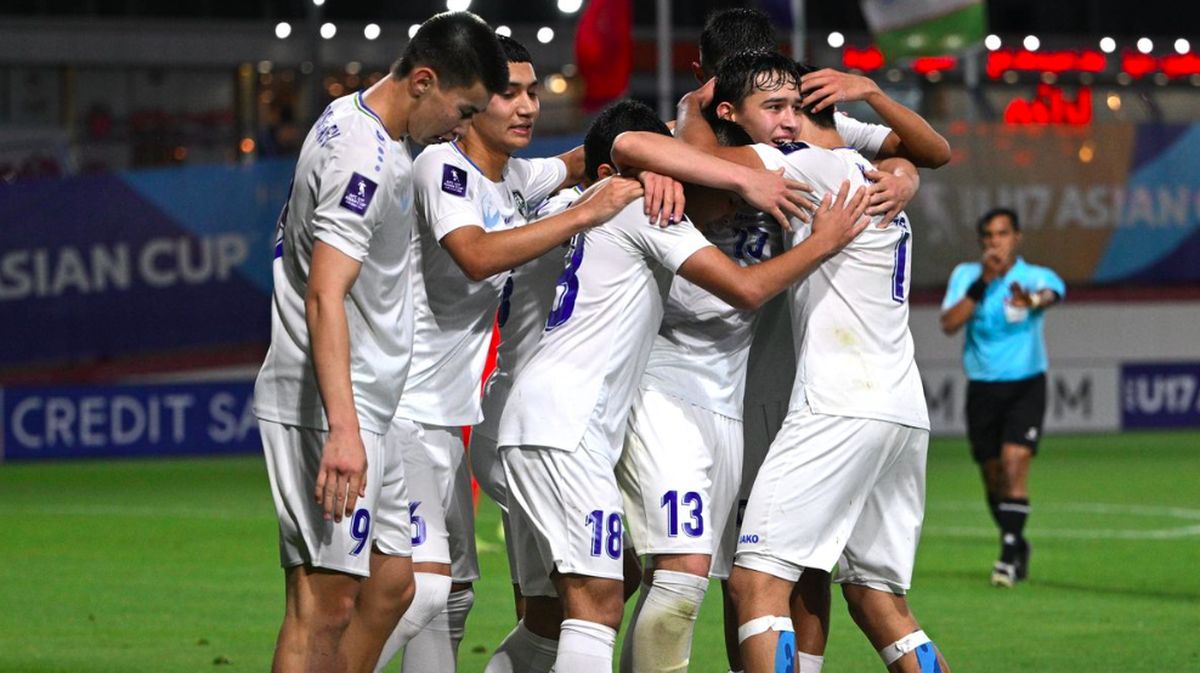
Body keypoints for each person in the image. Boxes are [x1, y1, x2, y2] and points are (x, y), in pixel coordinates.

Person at [497, 98, 869, 673]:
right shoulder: (646, 208)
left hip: (561, 421)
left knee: (587, 601)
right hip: (565, 424)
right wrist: (823, 239)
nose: (727, 201)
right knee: (599, 602)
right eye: (696, 174)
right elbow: (746, 289)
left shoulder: (596, 202)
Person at [375, 32, 671, 672]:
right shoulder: (441, 167)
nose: (528, 106)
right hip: (403, 407)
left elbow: (586, 157)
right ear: (472, 99)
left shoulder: (514, 178)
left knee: (453, 599)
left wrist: (689, 136)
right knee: (430, 593)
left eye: (533, 92)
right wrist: (586, 214)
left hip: (451, 413)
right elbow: (475, 255)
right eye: (509, 93)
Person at [251, 11, 507, 673]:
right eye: (463, 110)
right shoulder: (361, 160)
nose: (461, 129)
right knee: (324, 602)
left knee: (394, 585)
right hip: (333, 404)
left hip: (376, 404)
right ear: (423, 81)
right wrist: (343, 428)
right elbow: (324, 293)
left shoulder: (368, 129)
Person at [940, 207, 1065, 587]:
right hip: (982, 389)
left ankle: (1008, 556)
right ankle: (1016, 539)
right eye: (989, 236)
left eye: (1003, 234)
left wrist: (1033, 301)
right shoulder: (966, 276)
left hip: (1026, 384)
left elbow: (1051, 293)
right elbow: (950, 323)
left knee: (1015, 462)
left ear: (1016, 237)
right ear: (982, 241)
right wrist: (984, 281)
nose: (996, 242)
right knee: (993, 477)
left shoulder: (1033, 276)